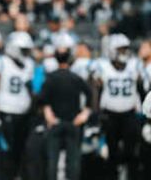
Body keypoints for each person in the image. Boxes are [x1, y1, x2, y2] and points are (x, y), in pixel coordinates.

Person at [91, 33, 145, 180]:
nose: (124, 53)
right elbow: (95, 89)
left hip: (130, 114)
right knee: (111, 152)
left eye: (126, 49)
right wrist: (97, 113)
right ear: (112, 50)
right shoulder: (102, 66)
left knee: (131, 151)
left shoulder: (135, 65)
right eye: (121, 49)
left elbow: (142, 89)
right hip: (110, 114)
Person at [0, 31, 34, 180]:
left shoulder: (29, 64)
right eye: (24, 50)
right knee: (4, 153)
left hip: (24, 115)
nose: (26, 53)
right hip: (5, 112)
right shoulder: (0, 62)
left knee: (20, 153)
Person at [40, 46, 92, 180]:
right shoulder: (75, 77)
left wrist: (48, 113)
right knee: (73, 161)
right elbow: (90, 94)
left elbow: (42, 99)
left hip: (55, 122)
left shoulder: (51, 78)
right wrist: (85, 113)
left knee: (53, 161)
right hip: (73, 122)